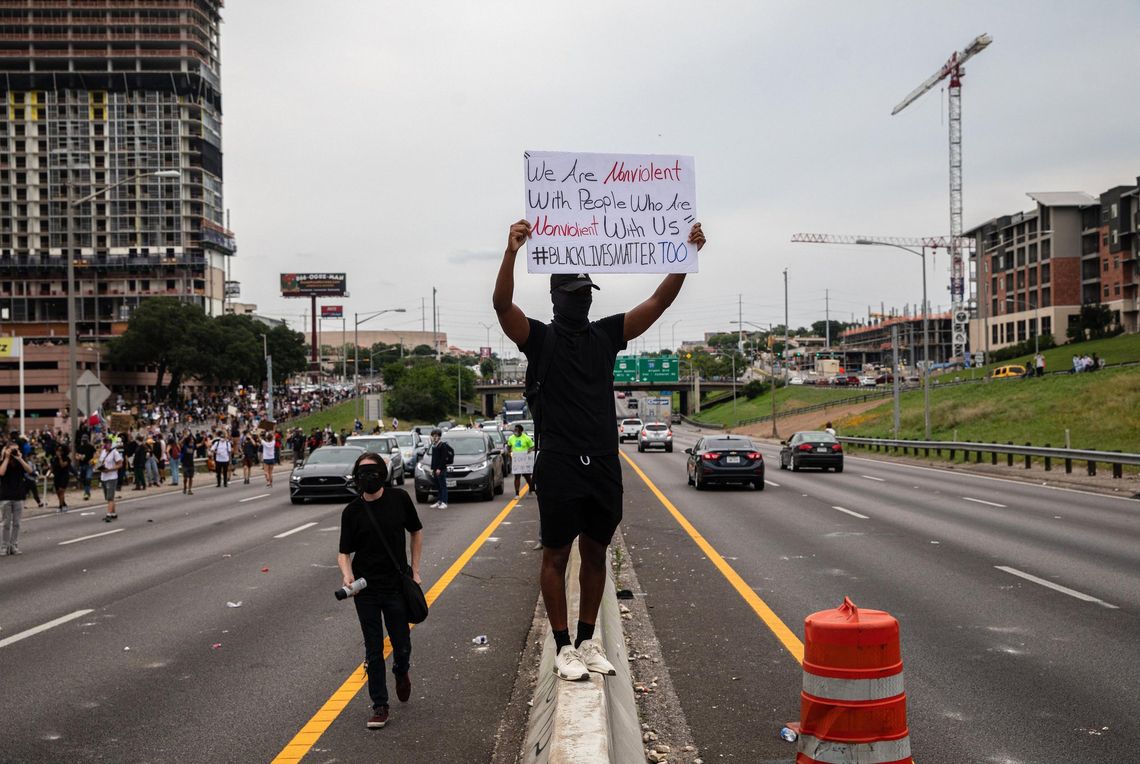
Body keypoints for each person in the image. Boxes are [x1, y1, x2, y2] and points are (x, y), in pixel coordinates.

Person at [493, 218, 705, 680]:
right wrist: (511, 252)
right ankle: (563, 646)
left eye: (587, 290)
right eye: (574, 292)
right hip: (560, 463)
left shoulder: (607, 335)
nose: (582, 298)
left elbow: (658, 301)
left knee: (596, 551)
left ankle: (588, 642)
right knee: (556, 554)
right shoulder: (540, 339)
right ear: (555, 297)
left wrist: (686, 259)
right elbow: (502, 305)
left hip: (604, 463)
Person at [336, 452, 423, 730]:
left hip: (396, 584)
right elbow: (343, 553)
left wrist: (415, 570)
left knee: (401, 643)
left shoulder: (399, 499)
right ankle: (379, 705)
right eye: (362, 473)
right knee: (373, 648)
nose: (368, 478)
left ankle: (401, 670)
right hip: (366, 590)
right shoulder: (351, 512)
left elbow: (416, 531)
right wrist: (348, 577)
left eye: (373, 472)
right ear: (356, 477)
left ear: (383, 474)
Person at [1, 439, 33, 555]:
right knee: (6, 523)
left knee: (16, 523)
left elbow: (30, 470)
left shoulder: (20, 462)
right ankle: (4, 546)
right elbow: (1, 473)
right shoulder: (3, 461)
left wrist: (19, 458)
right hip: (5, 496)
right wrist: (6, 457)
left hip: (18, 495)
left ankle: (14, 545)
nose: (15, 451)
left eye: (17, 449)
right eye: (12, 449)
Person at [95, 438, 124, 522]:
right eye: (104, 443)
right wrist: (99, 466)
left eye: (106, 443)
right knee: (108, 497)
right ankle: (113, 513)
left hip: (112, 477)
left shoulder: (115, 452)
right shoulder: (103, 452)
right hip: (104, 476)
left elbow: (120, 464)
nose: (105, 445)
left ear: (110, 444)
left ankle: (108, 514)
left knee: (110, 497)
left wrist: (110, 469)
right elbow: (100, 462)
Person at [508, 423, 536, 498]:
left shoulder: (526, 438)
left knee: (527, 477)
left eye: (517, 430)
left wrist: (529, 451)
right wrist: (509, 453)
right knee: (517, 477)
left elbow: (532, 446)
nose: (515, 431)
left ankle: (531, 489)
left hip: (525, 460)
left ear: (521, 431)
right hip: (516, 461)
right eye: (515, 430)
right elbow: (509, 446)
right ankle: (517, 493)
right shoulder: (511, 438)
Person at [427, 429, 453, 510]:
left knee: (443, 486)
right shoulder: (434, 445)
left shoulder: (442, 445)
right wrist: (432, 469)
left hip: (441, 469)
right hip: (435, 469)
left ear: (439, 437)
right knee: (438, 486)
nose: (434, 437)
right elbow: (434, 459)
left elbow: (443, 459)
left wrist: (439, 468)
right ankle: (439, 501)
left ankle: (444, 502)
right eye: (433, 436)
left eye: (435, 436)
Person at [50, 445, 74, 512]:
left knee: (61, 490)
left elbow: (63, 465)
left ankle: (60, 506)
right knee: (58, 492)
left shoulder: (67, 459)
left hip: (64, 476)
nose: (59, 452)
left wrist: (60, 457)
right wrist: (48, 474)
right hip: (57, 476)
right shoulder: (54, 458)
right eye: (58, 450)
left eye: (60, 450)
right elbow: (52, 467)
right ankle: (63, 504)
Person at [75, 435, 95, 500]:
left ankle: (86, 493)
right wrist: (79, 457)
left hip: (89, 465)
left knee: (88, 479)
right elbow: (76, 456)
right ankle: (87, 491)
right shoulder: (79, 447)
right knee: (83, 479)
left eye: (85, 440)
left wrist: (93, 460)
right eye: (83, 440)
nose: (84, 441)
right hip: (82, 465)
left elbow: (96, 454)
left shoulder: (91, 447)